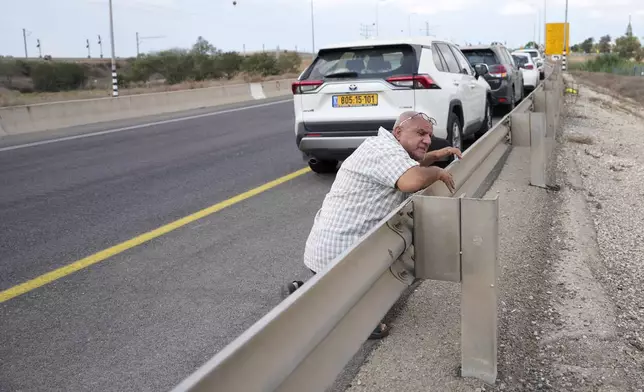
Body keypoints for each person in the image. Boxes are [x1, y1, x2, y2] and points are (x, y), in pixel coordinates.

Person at [283, 111, 462, 339]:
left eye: (429, 135)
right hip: (341, 256)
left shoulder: (387, 148)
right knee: (362, 311)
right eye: (420, 133)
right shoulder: (382, 152)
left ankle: (305, 293)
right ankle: (329, 308)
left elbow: (408, 166)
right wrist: (437, 171)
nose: (427, 139)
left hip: (336, 251)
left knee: (353, 286)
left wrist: (436, 155)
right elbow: (412, 180)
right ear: (398, 132)